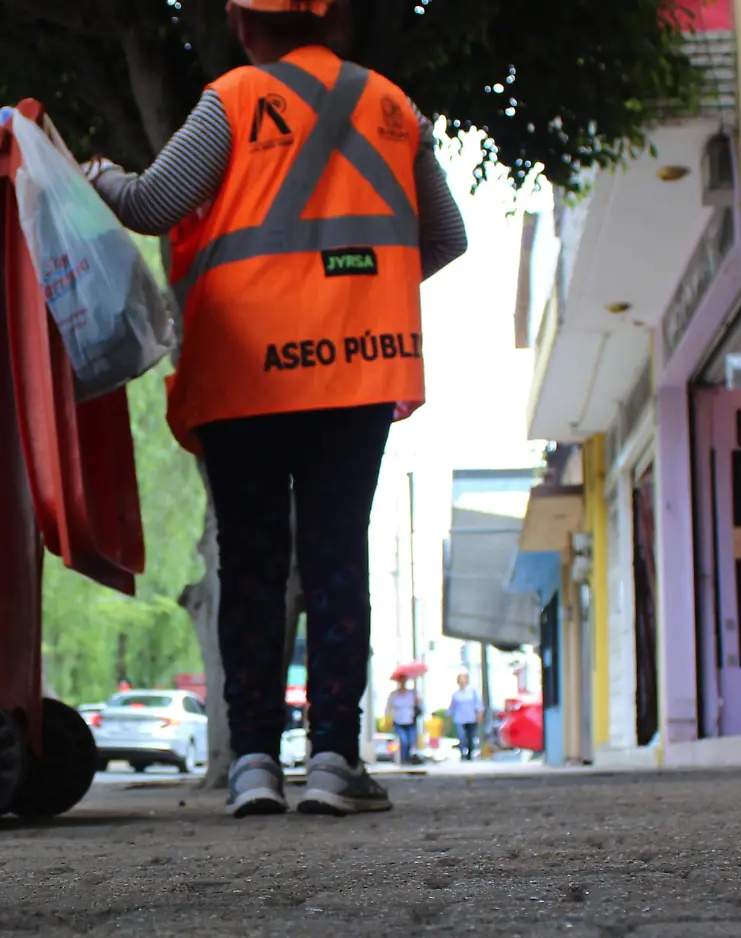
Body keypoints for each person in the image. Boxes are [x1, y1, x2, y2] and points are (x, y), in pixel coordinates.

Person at [85, 0, 467, 817]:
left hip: (246, 372)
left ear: (242, 22)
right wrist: (359, 293)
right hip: (356, 369)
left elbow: (152, 205)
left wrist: (97, 179)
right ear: (336, 21)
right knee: (335, 557)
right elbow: (445, 237)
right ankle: (333, 760)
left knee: (252, 562)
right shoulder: (396, 109)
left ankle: (254, 760)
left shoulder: (230, 100)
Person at [448, 672, 484, 760]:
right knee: (461, 736)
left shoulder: (472, 692)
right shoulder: (456, 694)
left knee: (470, 736)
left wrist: (479, 714)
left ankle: (470, 753)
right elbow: (452, 706)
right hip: (460, 718)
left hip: (471, 717)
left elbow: (478, 704)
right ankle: (462, 752)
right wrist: (448, 716)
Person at [386, 679, 421, 767]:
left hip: (410, 720)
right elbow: (388, 708)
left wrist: (417, 699)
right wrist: (388, 720)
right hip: (398, 721)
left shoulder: (412, 693)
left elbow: (419, 704)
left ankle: (408, 758)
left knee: (410, 741)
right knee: (404, 740)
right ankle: (403, 759)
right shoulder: (394, 694)